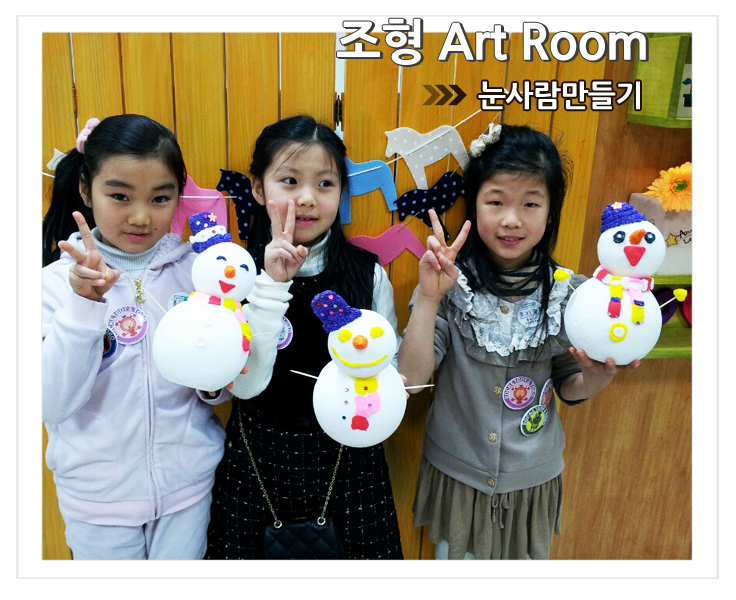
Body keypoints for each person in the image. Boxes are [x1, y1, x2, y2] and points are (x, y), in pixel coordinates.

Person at [42, 114, 298, 559]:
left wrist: (212, 382)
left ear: (179, 196)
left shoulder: (199, 274)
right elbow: (52, 404)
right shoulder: (51, 286)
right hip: (96, 502)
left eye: (160, 198)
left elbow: (224, 385)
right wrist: (83, 305)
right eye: (119, 196)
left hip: (188, 490)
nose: (141, 216)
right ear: (86, 189)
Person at [398, 123, 639, 560]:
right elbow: (411, 381)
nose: (511, 219)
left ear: (550, 213)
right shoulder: (449, 285)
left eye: (530, 203)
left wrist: (597, 377)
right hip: (459, 477)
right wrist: (430, 298)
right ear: (474, 204)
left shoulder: (568, 294)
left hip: (532, 481)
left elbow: (569, 384)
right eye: (496, 202)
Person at [205, 115, 404, 560]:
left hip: (350, 462)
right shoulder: (233, 277)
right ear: (258, 189)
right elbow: (244, 385)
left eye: (326, 184)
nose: (308, 198)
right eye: (290, 181)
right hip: (258, 459)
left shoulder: (368, 275)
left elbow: (385, 376)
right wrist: (271, 286)